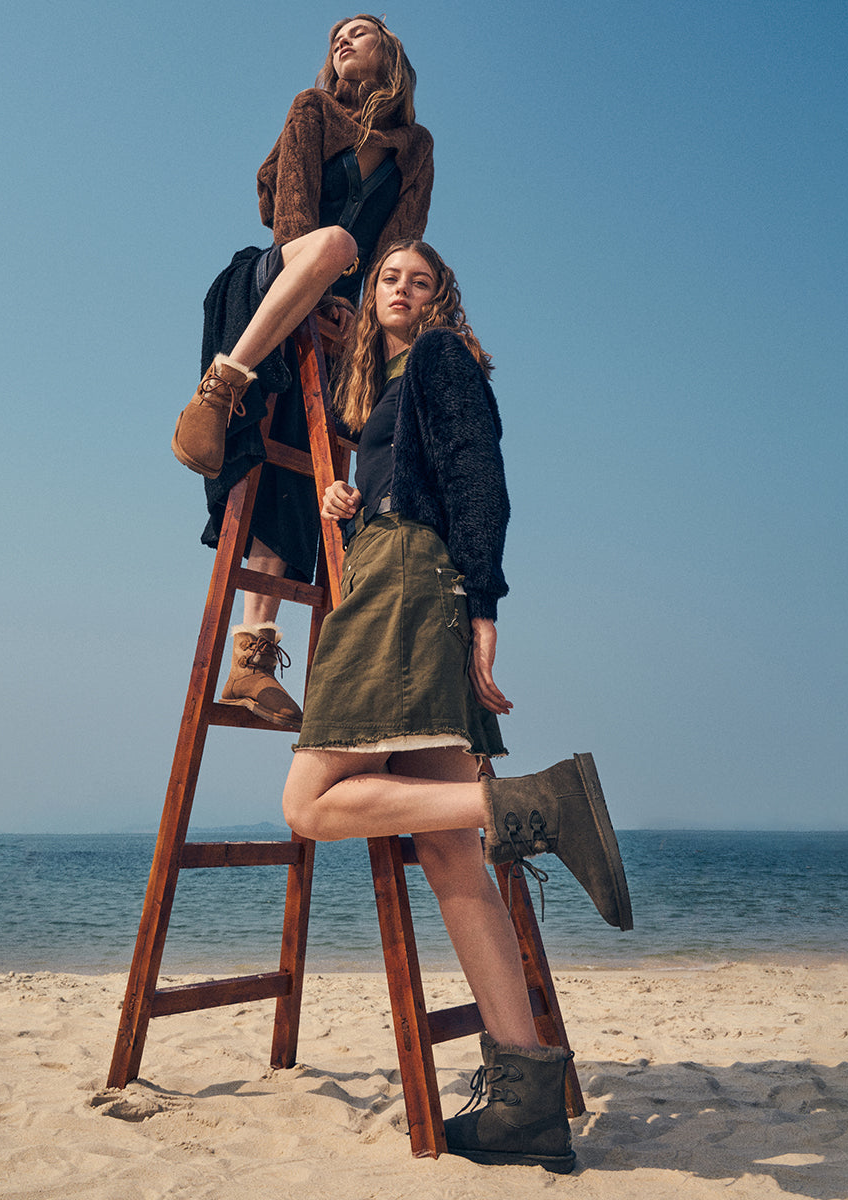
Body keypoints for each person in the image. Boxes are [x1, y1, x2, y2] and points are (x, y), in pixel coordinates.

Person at [281, 239, 633, 1172]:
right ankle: (525, 1098)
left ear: (442, 300)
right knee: (447, 857)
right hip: (397, 564)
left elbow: (484, 485)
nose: (399, 289)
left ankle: (532, 802)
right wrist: (352, 502)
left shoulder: (439, 359)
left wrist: (485, 611)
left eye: (419, 279)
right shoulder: (388, 388)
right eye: (387, 278)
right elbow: (432, 484)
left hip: (406, 587)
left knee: (309, 805)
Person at [172, 15, 434, 730]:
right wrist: (327, 288)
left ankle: (251, 657)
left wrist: (356, 317)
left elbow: (400, 249)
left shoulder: (416, 149)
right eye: (335, 38)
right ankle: (221, 386)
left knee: (298, 479)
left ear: (392, 54)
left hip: (332, 321)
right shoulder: (311, 109)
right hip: (268, 290)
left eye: (358, 30)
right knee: (335, 240)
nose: (341, 41)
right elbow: (289, 221)